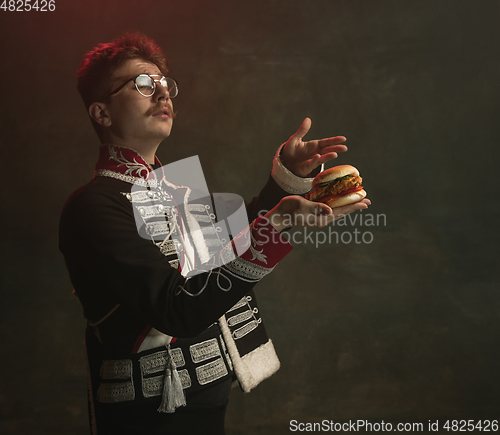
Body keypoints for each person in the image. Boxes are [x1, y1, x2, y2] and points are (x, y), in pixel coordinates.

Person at [59, 31, 370, 435]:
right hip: (149, 414)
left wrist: (288, 178)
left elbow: (223, 252)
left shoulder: (178, 189)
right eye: (142, 84)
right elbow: (177, 310)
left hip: (207, 401)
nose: (162, 95)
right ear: (101, 113)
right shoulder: (93, 206)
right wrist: (276, 225)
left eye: (164, 85)